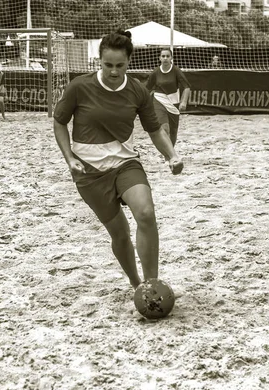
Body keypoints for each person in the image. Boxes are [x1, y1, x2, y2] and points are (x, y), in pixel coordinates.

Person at [53, 30, 183, 289]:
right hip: (89, 172)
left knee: (146, 213)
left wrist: (172, 155)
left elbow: (155, 130)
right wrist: (69, 158)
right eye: (108, 65)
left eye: (120, 65)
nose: (114, 71)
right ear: (99, 61)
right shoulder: (79, 87)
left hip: (125, 163)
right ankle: (137, 285)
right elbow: (59, 122)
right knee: (120, 234)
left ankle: (152, 285)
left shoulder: (137, 91)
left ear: (129, 62)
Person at [145, 48, 191, 147]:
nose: (165, 58)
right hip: (159, 100)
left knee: (173, 132)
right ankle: (167, 154)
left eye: (167, 56)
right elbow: (147, 88)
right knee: (165, 128)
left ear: (171, 58)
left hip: (174, 102)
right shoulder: (156, 72)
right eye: (163, 56)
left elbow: (187, 87)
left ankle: (170, 153)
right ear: (159, 58)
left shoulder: (176, 70)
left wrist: (184, 102)